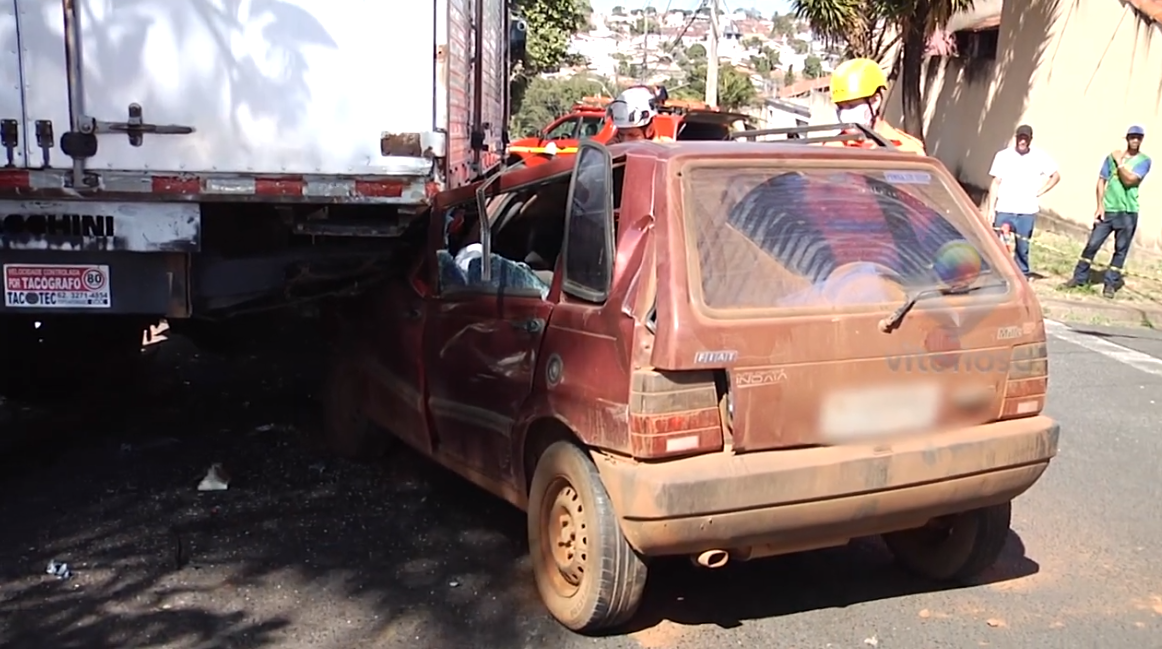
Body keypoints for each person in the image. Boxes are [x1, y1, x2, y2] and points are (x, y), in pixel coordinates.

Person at [1062, 125, 1151, 297]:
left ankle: (1110, 283)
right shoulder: (1111, 157)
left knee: (1120, 250)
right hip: (1108, 210)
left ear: (1141, 140)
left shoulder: (1144, 161)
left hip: (1128, 212)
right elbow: (1101, 180)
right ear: (1127, 138)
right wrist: (1099, 206)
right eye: (1132, 137)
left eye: (1138, 138)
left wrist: (1120, 163)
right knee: (1092, 245)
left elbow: (1130, 180)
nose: (1135, 140)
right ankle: (1079, 277)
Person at [985, 124, 1061, 279]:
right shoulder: (1003, 156)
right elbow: (995, 183)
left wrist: (1040, 192)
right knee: (997, 244)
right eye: (1020, 137)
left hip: (1026, 211)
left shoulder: (1039, 157)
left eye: (1025, 138)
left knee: (1023, 246)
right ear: (1016, 137)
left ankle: (1021, 274)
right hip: (1004, 208)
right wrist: (991, 209)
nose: (1022, 141)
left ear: (1030, 140)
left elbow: (1055, 176)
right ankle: (997, 272)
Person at [828, 58, 925, 155]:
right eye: (840, 107)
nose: (844, 114)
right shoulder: (831, 148)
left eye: (851, 105)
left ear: (875, 101)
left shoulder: (908, 149)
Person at [606, 86, 673, 144]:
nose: (624, 141)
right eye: (621, 134)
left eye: (632, 135)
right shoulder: (612, 149)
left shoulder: (668, 150)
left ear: (650, 130)